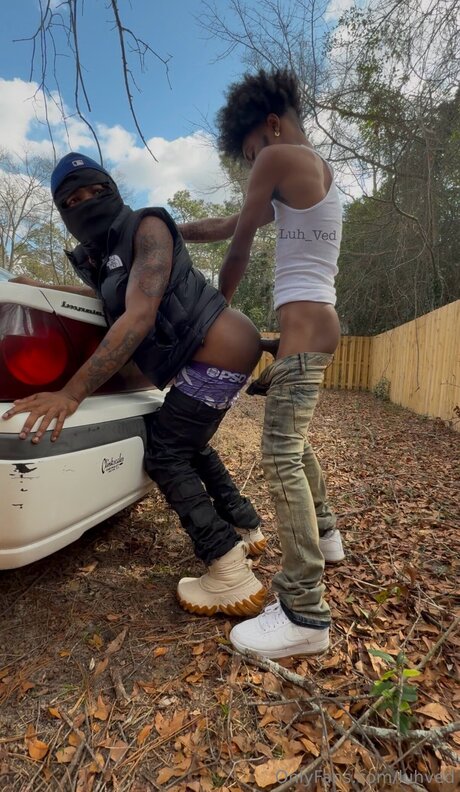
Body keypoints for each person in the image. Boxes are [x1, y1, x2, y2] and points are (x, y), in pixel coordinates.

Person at [2, 152, 268, 618]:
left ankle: (229, 571)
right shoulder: (104, 256)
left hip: (217, 353)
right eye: (72, 200)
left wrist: (71, 393)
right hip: (212, 355)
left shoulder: (147, 227)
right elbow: (112, 297)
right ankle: (247, 528)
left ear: (113, 190)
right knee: (185, 442)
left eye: (95, 191)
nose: (86, 202)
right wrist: (42, 286)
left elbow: (139, 313)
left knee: (164, 453)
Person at [178, 68, 345, 659]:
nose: (253, 164)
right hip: (313, 329)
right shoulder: (312, 172)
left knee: (278, 455)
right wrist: (170, 230)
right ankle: (326, 534)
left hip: (303, 336)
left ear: (271, 126)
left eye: (250, 154)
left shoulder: (279, 159)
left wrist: (211, 315)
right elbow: (230, 223)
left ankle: (305, 613)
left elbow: (240, 245)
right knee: (293, 444)